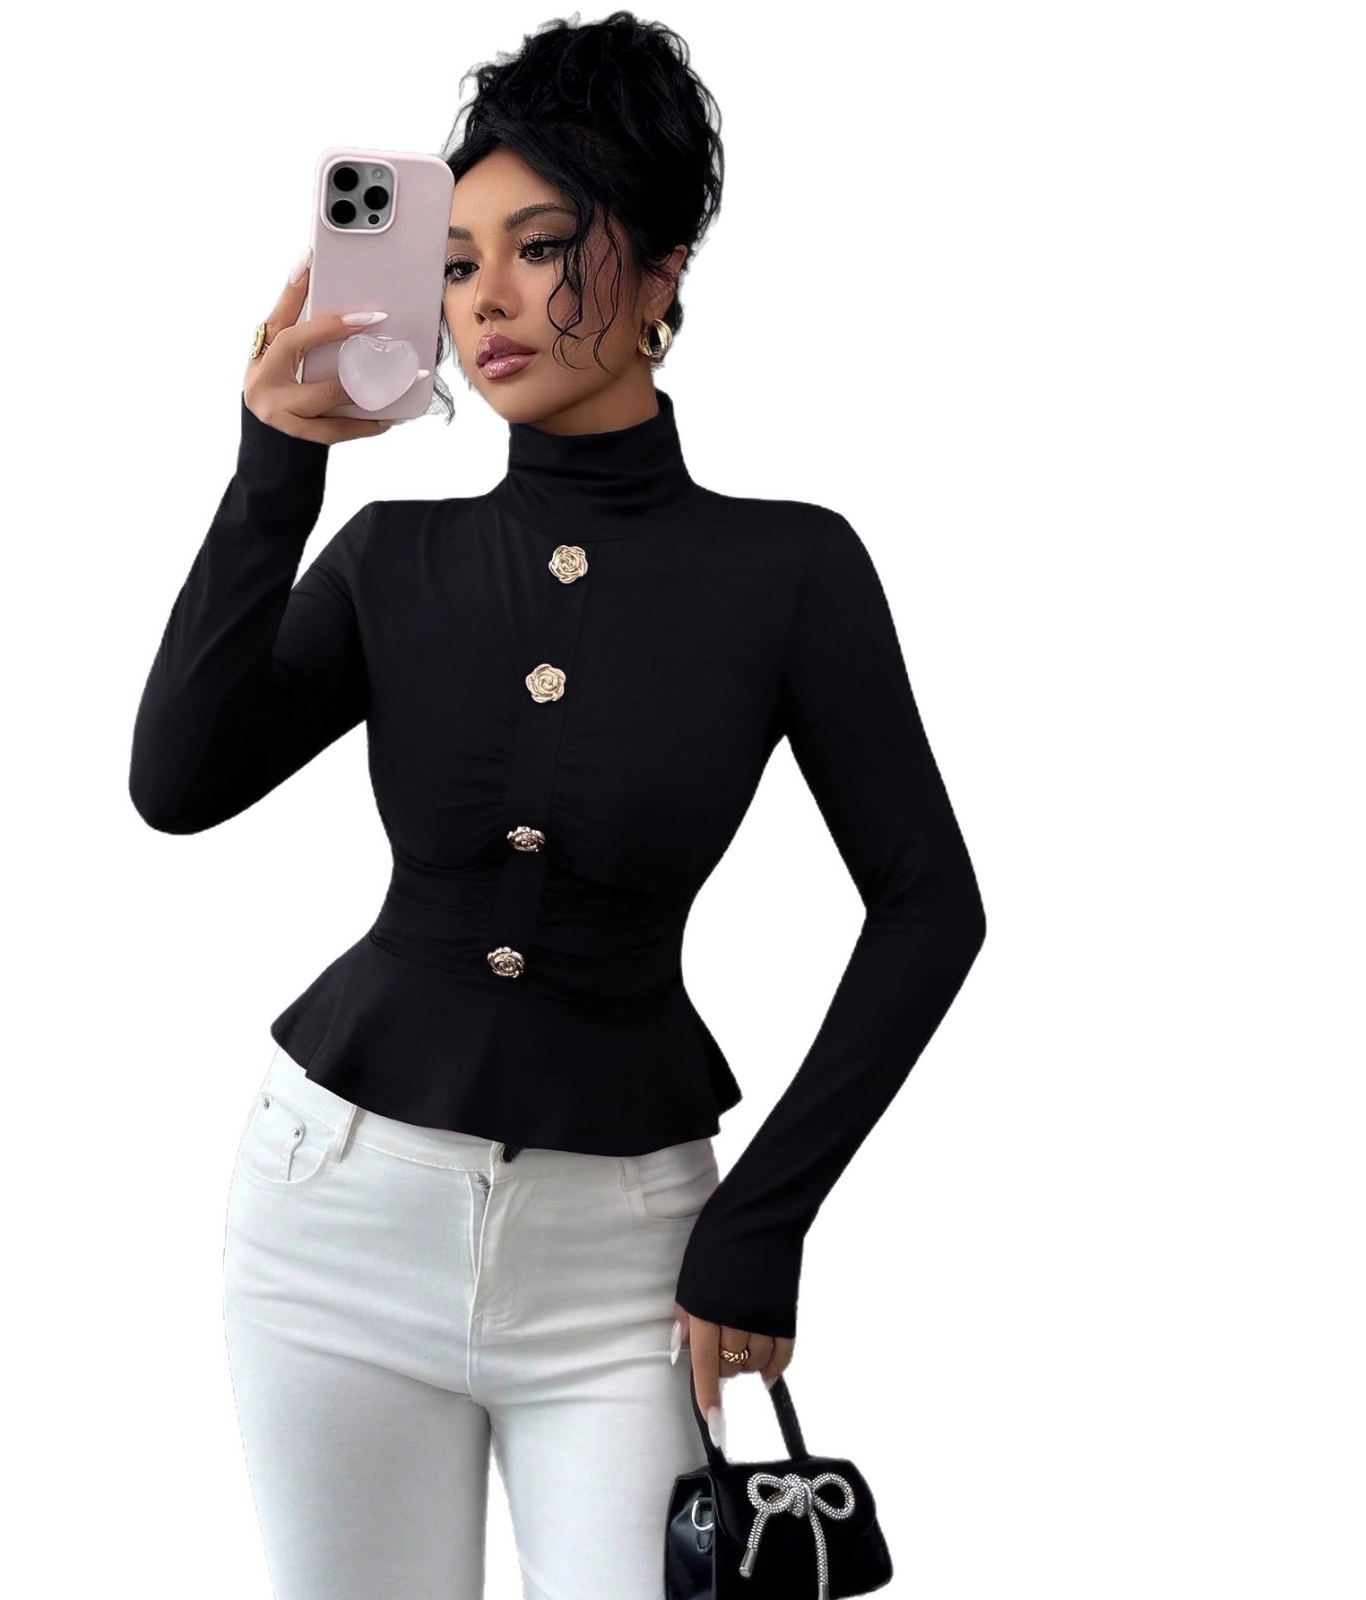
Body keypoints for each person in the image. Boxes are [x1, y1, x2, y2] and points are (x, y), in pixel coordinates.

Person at [128, 13, 985, 1599]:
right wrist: (273, 469)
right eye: (455, 266)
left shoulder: (792, 570)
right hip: (330, 1223)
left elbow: (933, 907)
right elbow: (176, 784)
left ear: (662, 272)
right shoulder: (395, 559)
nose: (487, 302)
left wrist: (769, 1217)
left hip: (632, 1267)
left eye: (540, 248)